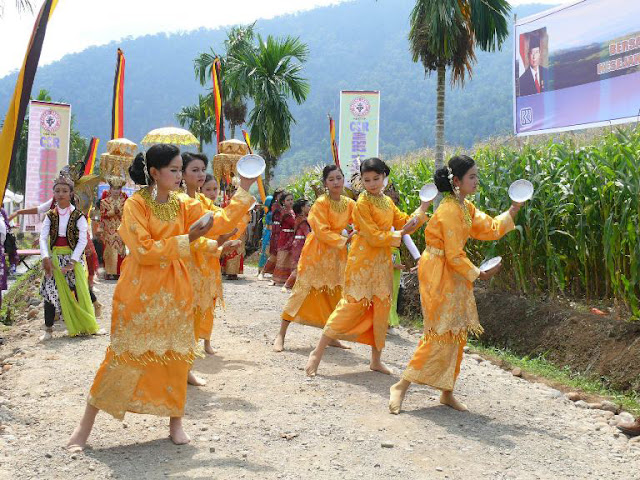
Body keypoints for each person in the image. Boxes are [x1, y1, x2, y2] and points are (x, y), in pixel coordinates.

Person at [66, 144, 255, 450]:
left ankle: (175, 422)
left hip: (176, 291)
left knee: (176, 357)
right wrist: (188, 238)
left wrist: (243, 189)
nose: (180, 176)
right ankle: (84, 428)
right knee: (123, 356)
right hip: (140, 292)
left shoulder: (184, 203)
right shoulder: (135, 205)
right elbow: (142, 250)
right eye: (175, 170)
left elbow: (219, 222)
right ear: (154, 173)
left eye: (182, 169)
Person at [388, 155, 521, 414]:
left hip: (453, 271)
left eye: (476, 175)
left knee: (457, 331)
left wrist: (514, 209)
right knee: (439, 330)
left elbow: (490, 228)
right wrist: (479, 274)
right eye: (472, 176)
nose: (477, 180)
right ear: (456, 181)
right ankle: (401, 386)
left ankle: (447, 391)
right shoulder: (449, 210)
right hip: (438, 270)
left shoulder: (465, 207)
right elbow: (453, 254)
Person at [305, 158, 430, 376]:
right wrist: (399, 233)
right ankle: (317, 352)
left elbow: (404, 222)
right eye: (367, 180)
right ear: (360, 181)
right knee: (351, 305)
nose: (372, 183)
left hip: (381, 263)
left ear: (384, 178)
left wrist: (423, 207)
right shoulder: (363, 202)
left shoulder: (387, 202)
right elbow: (372, 235)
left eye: (376, 178)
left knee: (381, 308)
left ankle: (376, 359)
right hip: (362, 262)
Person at [274, 165, 355, 352]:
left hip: (337, 255)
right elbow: (320, 230)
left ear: (344, 179)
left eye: (339, 178)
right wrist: (343, 239)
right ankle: (281, 335)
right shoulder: (320, 203)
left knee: (335, 295)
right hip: (317, 253)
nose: (336, 182)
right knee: (301, 291)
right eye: (331, 179)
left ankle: (332, 335)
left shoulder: (349, 203)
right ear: (325, 183)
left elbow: (359, 221)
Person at [181, 152, 252, 362]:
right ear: (182, 174)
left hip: (205, 260)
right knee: (185, 306)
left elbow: (223, 222)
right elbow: (206, 230)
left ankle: (192, 350)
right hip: (186, 261)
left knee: (204, 304)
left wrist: (241, 205)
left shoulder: (201, 200)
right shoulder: (182, 201)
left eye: (203, 169)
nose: (201, 174)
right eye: (195, 170)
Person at [38, 174, 101, 341]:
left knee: (80, 291)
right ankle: (48, 329)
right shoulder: (50, 216)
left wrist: (73, 262)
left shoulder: (78, 216)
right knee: (49, 293)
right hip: (54, 259)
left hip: (73, 258)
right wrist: (46, 257)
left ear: (71, 194)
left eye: (64, 191)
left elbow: (82, 240)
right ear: (53, 193)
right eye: (57, 191)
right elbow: (42, 238)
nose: (61, 194)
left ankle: (85, 324)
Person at [99, 178, 128, 280]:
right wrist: (112, 212)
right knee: (109, 250)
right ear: (110, 189)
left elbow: (127, 215)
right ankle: (109, 272)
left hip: (120, 229)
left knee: (121, 249)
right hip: (109, 230)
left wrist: (119, 212)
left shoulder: (125, 202)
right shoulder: (104, 202)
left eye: (118, 189)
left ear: (121, 189)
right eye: (114, 188)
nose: (116, 191)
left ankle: (120, 271)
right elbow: (102, 215)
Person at [283, 199, 311, 291]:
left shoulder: (298, 218)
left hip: (296, 243)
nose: (310, 207)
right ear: (302, 208)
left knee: (299, 265)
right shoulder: (303, 220)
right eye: (308, 206)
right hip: (301, 244)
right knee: (300, 265)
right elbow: (308, 235)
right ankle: (287, 285)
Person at [271, 192, 295, 286]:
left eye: (291, 200)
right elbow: (293, 223)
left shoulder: (293, 211)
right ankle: (277, 278)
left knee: (289, 257)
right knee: (282, 256)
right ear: (283, 202)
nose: (290, 202)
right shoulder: (284, 212)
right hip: (285, 235)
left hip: (291, 236)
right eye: (288, 200)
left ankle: (286, 278)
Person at [262, 189, 284, 277]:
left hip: (279, 231)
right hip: (271, 231)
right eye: (279, 195)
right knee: (268, 249)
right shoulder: (275, 206)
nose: (281, 197)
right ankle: (262, 270)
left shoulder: (282, 206)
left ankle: (273, 271)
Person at [257, 196, 274, 280]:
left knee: (264, 251)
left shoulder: (268, 213)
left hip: (267, 232)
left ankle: (261, 269)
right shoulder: (271, 213)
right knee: (267, 251)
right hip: (270, 232)